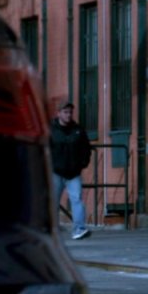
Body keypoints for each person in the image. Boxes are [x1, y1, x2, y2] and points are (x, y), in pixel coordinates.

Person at [50, 101, 92, 240]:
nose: (68, 115)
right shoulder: (51, 130)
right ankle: (52, 230)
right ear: (59, 113)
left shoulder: (78, 130)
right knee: (53, 201)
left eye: (70, 112)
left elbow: (86, 148)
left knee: (77, 199)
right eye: (65, 112)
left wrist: (83, 163)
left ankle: (79, 229)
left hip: (74, 172)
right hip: (56, 171)